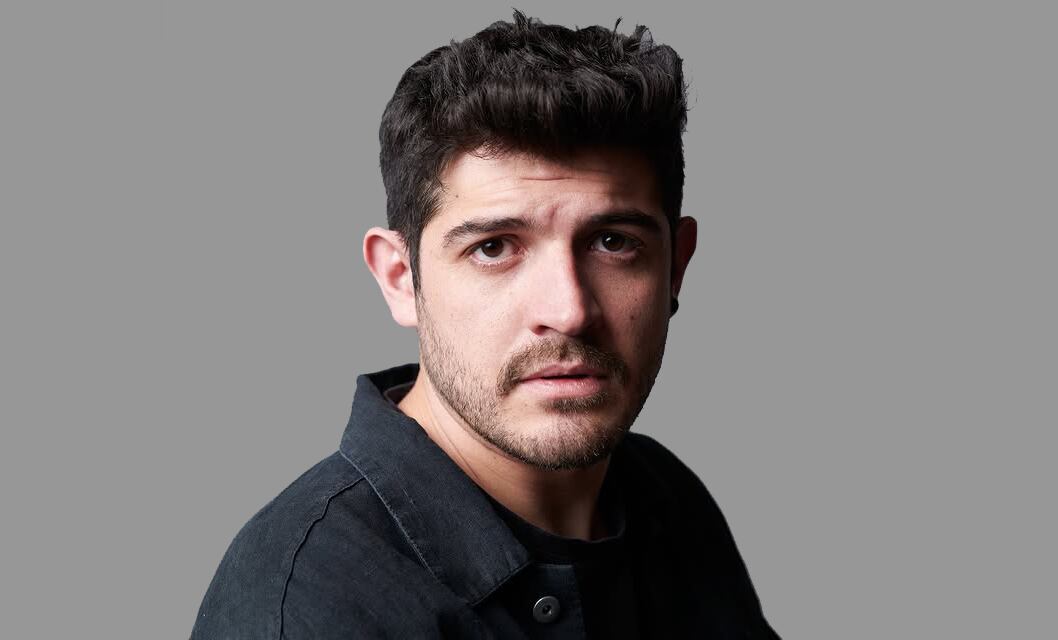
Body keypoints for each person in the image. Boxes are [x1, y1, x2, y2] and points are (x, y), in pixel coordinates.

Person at [192, 11, 779, 639]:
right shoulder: (304, 609)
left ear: (676, 267)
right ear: (401, 278)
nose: (568, 310)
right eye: (493, 248)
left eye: (613, 242)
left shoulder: (666, 499)